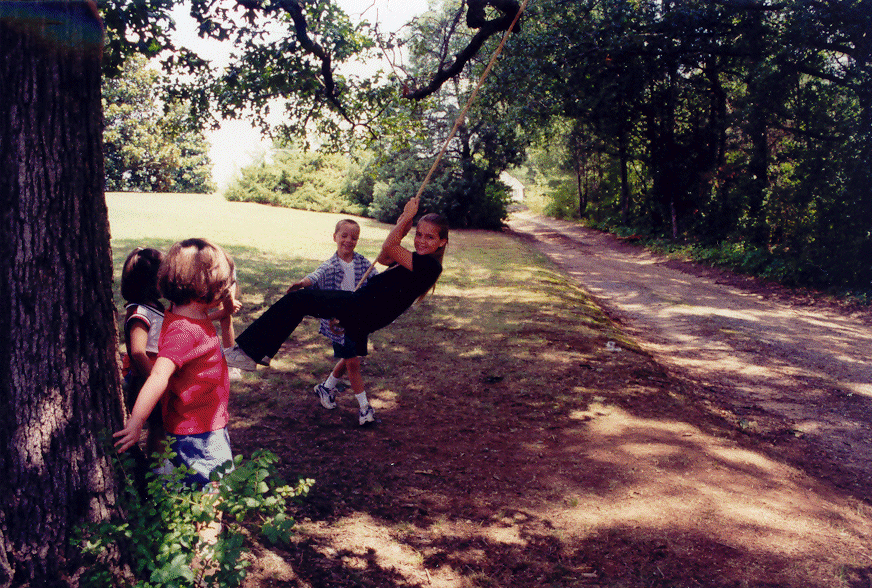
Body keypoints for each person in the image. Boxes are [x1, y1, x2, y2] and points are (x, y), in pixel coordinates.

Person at [225, 197, 449, 426]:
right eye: (419, 234)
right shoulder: (415, 260)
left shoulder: (430, 266)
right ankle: (261, 356)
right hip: (362, 308)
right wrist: (404, 221)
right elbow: (384, 257)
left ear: (442, 243)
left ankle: (249, 353)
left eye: (430, 237)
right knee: (305, 309)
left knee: (297, 301)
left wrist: (406, 218)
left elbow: (390, 247)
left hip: (364, 307)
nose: (421, 241)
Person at [114, 237, 237, 494]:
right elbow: (158, 376)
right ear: (203, 290)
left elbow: (218, 318)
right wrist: (136, 422)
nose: (228, 289)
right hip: (200, 432)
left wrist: (225, 303)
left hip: (206, 424)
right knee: (212, 499)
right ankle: (209, 535)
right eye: (223, 285)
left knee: (201, 495)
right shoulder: (184, 331)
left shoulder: (185, 314)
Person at [286, 219, 377, 414]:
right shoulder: (330, 265)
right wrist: (302, 284)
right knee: (352, 362)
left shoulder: (362, 262)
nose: (348, 241)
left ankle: (326, 388)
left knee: (348, 358)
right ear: (334, 237)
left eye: (354, 237)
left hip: (358, 318)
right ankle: (364, 407)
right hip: (339, 322)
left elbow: (377, 279)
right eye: (344, 236)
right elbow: (316, 276)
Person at [120, 246, 166, 457]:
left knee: (162, 425)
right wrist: (154, 380)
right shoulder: (139, 312)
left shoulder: (154, 307)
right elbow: (138, 351)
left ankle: (159, 468)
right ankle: (157, 472)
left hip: (155, 378)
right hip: (146, 380)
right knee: (158, 426)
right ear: (150, 281)